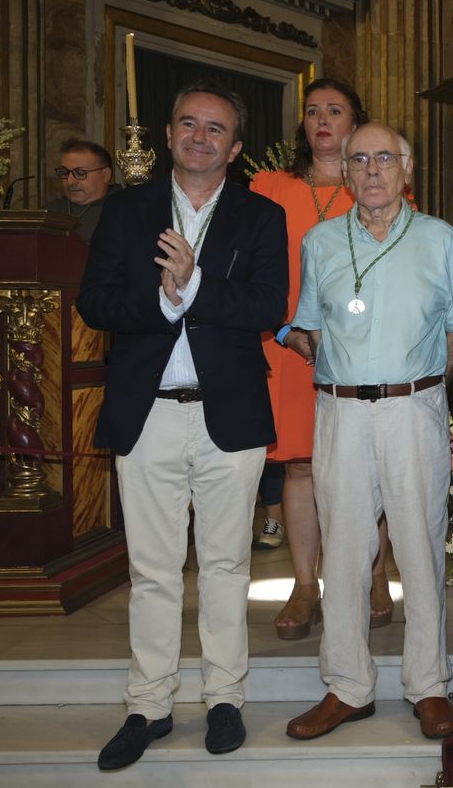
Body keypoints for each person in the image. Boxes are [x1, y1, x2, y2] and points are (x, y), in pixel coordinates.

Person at [77, 79, 286, 771]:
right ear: (168, 135)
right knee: (153, 568)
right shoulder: (127, 210)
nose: (201, 137)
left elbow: (266, 303)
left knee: (228, 564)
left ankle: (223, 696)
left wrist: (195, 288)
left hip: (229, 415)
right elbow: (96, 301)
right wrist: (163, 303)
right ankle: (149, 704)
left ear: (236, 147)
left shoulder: (260, 217)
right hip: (149, 412)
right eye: (189, 125)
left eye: (216, 129)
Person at [282, 123, 453, 741]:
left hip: (414, 408)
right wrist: (314, 346)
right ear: (347, 172)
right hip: (340, 413)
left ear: (406, 169)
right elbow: (307, 322)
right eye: (358, 160)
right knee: (347, 549)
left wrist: (427, 381)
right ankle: (348, 686)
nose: (371, 170)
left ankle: (429, 684)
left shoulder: (441, 239)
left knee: (419, 543)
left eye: (384, 158)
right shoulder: (322, 241)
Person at [251, 78, 395, 640]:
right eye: (313, 111)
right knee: (302, 465)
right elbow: (254, 272)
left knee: (370, 466)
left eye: (335, 110)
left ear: (357, 120)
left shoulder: (383, 188)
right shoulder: (268, 187)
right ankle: (305, 583)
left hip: (363, 350)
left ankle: (375, 573)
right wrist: (287, 330)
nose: (322, 120)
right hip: (289, 346)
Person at [47, 138, 115, 242]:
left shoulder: (122, 211)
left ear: (105, 175)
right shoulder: (49, 212)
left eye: (80, 173)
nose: (70, 181)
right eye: (65, 172)